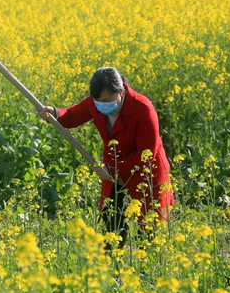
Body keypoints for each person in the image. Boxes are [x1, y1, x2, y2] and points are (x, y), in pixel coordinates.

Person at [38, 67, 173, 242]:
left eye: (107, 100)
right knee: (112, 229)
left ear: (121, 92)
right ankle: (111, 266)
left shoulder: (143, 108)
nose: (102, 104)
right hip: (113, 172)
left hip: (145, 173)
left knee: (147, 232)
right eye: (98, 101)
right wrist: (54, 113)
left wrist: (114, 169)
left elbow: (145, 153)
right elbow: (71, 116)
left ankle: (147, 269)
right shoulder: (96, 103)